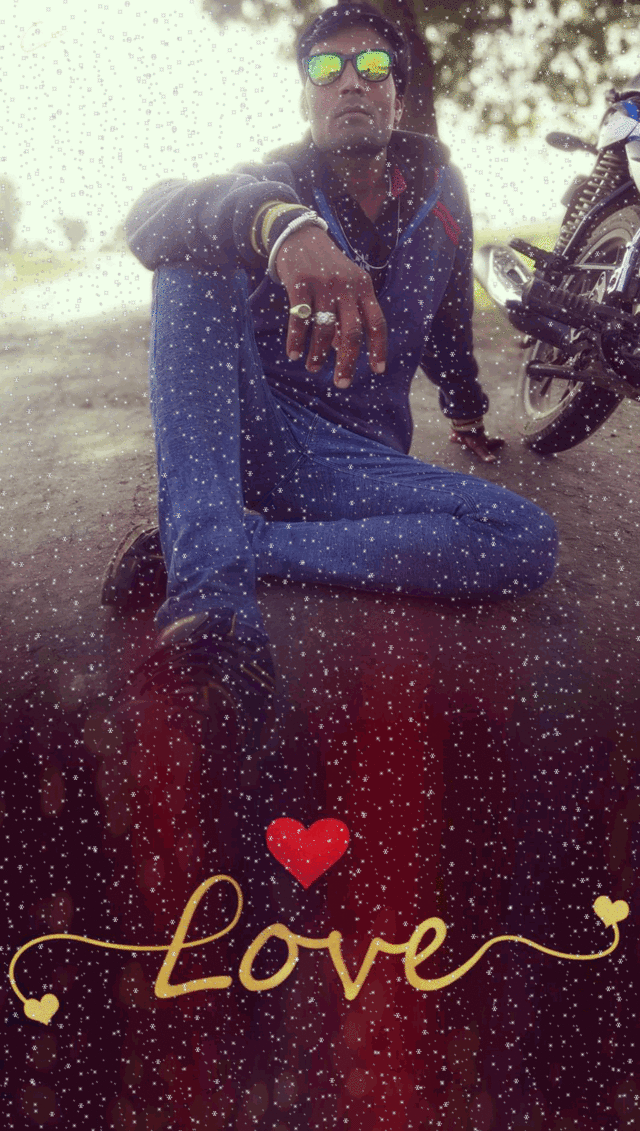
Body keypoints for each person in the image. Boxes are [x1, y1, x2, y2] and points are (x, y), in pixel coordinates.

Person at [108, 0, 557, 766]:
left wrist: (466, 407)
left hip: (356, 463)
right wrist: (282, 227)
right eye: (327, 68)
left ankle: (238, 540)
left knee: (524, 540)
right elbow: (151, 216)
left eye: (373, 66)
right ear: (306, 98)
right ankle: (214, 602)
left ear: (398, 95)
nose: (351, 80)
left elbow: (450, 317)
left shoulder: (443, 193)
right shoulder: (276, 179)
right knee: (188, 254)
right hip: (256, 430)